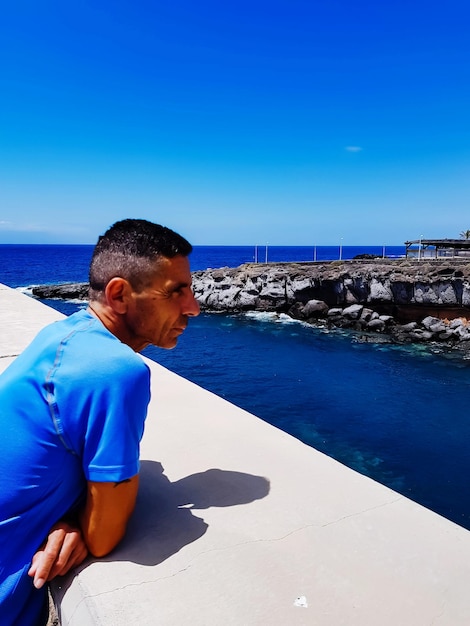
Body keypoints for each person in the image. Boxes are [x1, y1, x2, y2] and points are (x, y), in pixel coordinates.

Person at [0, 218, 200, 625]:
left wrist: (72, 513)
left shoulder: (62, 334)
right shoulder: (114, 369)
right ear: (120, 294)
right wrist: (81, 523)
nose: (193, 307)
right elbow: (104, 536)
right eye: (176, 292)